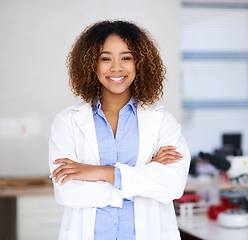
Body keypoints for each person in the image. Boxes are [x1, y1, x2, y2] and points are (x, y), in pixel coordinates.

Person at [49, 20, 190, 240]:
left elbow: (173, 185)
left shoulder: (163, 121)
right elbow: (68, 192)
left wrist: (100, 172)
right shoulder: (66, 121)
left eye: (126, 57)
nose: (116, 67)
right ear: (91, 64)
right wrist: (144, 176)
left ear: (140, 63)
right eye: (106, 58)